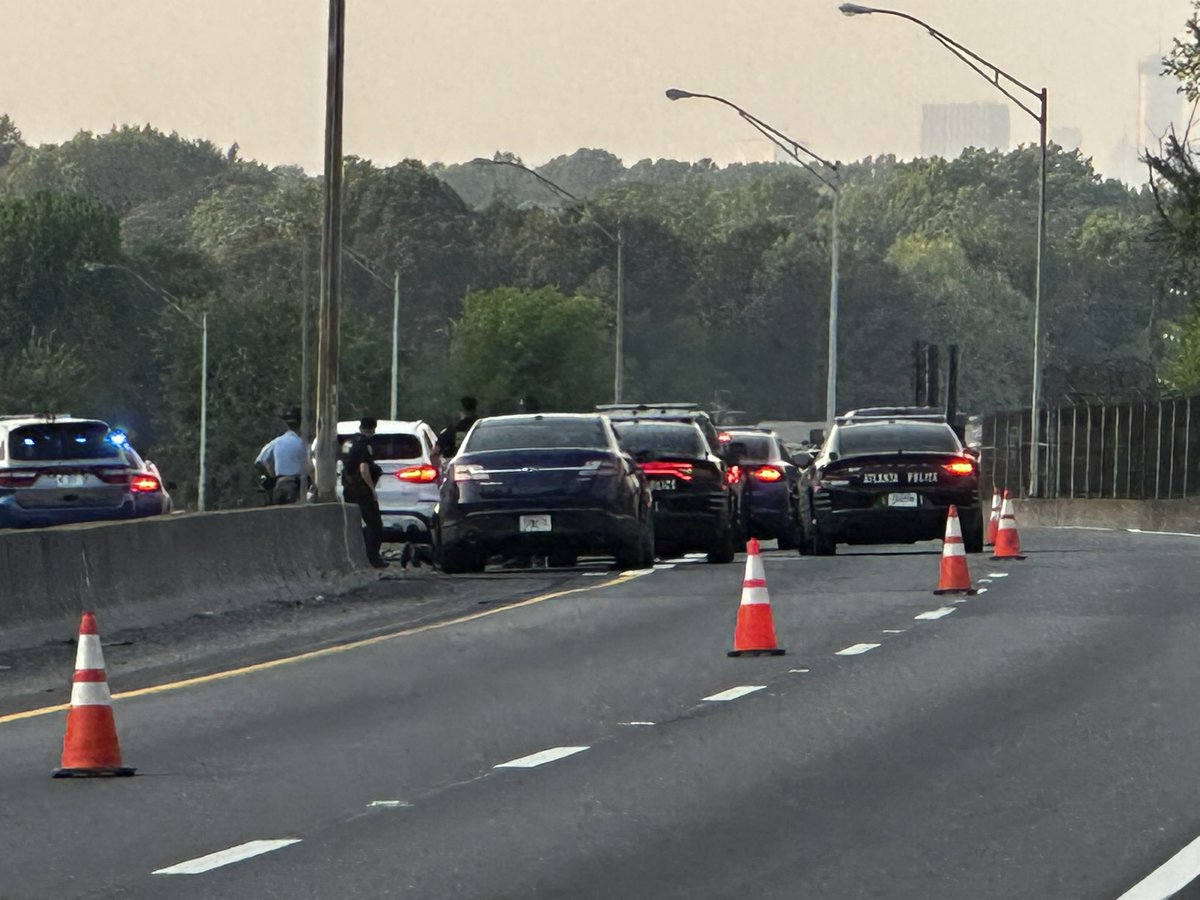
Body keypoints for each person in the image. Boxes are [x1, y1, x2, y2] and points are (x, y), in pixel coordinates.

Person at [343, 417, 388, 569]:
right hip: (361, 490)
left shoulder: (349, 443)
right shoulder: (364, 446)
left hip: (348, 490)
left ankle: (357, 557)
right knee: (375, 525)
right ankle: (373, 559)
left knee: (354, 526)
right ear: (373, 429)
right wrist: (372, 489)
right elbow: (363, 469)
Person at [254, 411, 312, 505]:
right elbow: (310, 468)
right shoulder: (303, 444)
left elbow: (259, 461)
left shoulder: (277, 442)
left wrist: (271, 476)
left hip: (280, 486)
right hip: (296, 487)